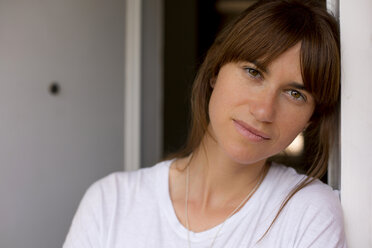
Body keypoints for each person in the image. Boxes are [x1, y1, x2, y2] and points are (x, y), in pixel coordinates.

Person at [63, 0, 346, 247]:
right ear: (215, 72)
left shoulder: (308, 214)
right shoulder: (111, 203)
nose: (263, 110)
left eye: (295, 93)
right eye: (253, 72)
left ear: (311, 119)